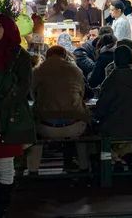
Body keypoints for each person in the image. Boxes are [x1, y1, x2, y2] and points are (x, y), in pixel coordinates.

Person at [0, 14, 35, 217]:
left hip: (9, 118)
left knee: (5, 164)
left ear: (9, 29)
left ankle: (1, 212)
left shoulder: (20, 56)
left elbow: (23, 87)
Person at [27, 45, 91, 175]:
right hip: (75, 126)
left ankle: (32, 171)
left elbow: (34, 96)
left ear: (48, 55)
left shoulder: (38, 70)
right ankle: (84, 168)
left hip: (44, 127)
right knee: (85, 134)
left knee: (33, 130)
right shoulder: (76, 70)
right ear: (65, 55)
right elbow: (82, 94)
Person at [95, 45, 132, 172]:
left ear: (115, 61)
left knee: (95, 133)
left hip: (114, 125)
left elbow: (101, 108)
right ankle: (126, 158)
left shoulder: (111, 80)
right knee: (121, 137)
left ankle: (109, 162)